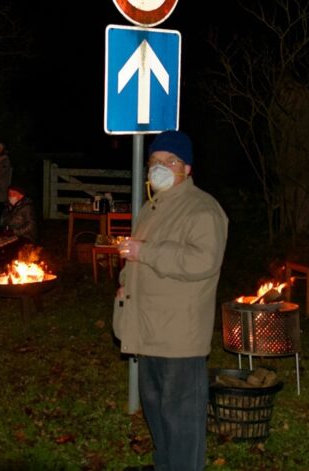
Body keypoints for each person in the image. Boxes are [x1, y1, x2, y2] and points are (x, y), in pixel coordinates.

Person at [113, 131, 228, 471]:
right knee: (158, 415)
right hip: (148, 330)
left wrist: (144, 252)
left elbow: (202, 261)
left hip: (179, 337)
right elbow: (137, 257)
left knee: (182, 423)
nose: (158, 168)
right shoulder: (152, 207)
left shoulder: (203, 209)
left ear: (186, 168)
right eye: (154, 163)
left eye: (169, 162)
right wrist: (124, 283)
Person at [0, 184, 38, 271]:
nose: (10, 196)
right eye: (9, 194)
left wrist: (14, 232)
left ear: (20, 195)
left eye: (13, 194)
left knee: (12, 247)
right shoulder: (7, 206)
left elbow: (31, 225)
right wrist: (0, 229)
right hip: (8, 235)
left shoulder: (27, 207)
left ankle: (11, 270)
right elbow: (1, 220)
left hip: (24, 236)